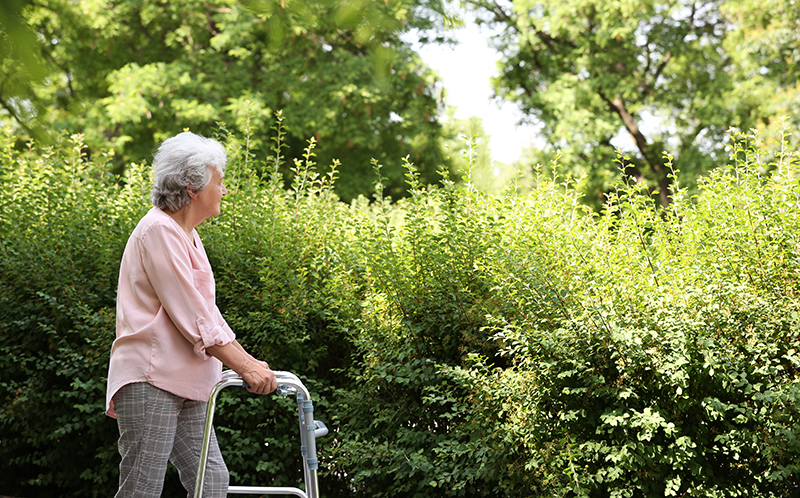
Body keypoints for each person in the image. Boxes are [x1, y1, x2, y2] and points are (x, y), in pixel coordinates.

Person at [105, 131, 277, 498]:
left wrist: (247, 360)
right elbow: (192, 313)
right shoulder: (158, 230)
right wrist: (245, 366)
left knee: (210, 481)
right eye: (219, 181)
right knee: (143, 488)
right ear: (192, 186)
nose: (225, 190)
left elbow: (208, 312)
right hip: (152, 377)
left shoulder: (188, 235)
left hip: (189, 381)